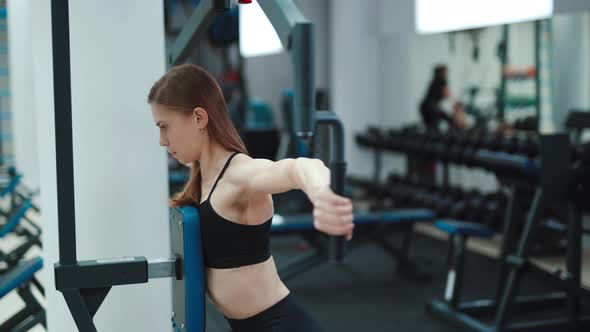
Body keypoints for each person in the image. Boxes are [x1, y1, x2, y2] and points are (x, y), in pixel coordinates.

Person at [148, 64, 354, 332]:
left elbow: (298, 168)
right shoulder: (201, 175)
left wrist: (322, 194)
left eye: (165, 127)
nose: (162, 140)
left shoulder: (239, 174)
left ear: (199, 118)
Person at [419, 65, 466, 131]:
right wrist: (457, 107)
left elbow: (447, 95)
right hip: (430, 107)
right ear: (441, 73)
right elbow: (447, 94)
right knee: (447, 120)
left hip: (425, 107)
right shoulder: (442, 81)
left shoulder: (435, 81)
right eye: (446, 72)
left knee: (432, 127)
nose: (447, 74)